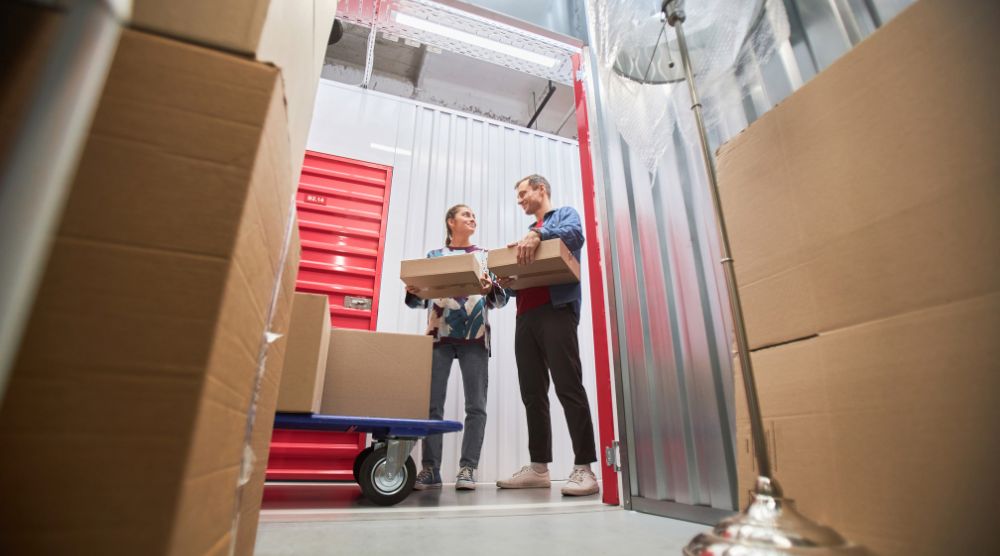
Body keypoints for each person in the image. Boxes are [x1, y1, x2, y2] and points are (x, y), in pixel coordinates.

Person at [495, 174, 599, 496]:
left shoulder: (563, 216)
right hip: (525, 315)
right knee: (532, 394)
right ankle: (539, 468)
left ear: (542, 190)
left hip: (556, 312)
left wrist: (538, 234)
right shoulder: (528, 236)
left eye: (523, 193)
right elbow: (517, 284)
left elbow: (575, 235)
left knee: (568, 386)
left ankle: (585, 469)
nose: (520, 200)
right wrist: (502, 283)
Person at [405, 204, 509, 491]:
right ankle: (430, 470)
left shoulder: (485, 257)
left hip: (475, 338)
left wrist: (492, 289)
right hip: (439, 337)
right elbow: (418, 301)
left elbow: (500, 301)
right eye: (466, 214)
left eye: (474, 215)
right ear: (451, 222)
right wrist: (413, 291)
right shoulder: (434, 257)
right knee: (431, 406)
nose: (473, 218)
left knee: (476, 407)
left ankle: (468, 469)